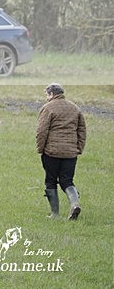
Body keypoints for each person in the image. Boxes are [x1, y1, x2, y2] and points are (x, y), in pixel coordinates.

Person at [36, 83, 86, 220]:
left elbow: (41, 131)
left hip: (52, 152)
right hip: (71, 153)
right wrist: (79, 148)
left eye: (47, 95)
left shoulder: (48, 108)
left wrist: (40, 148)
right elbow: (82, 130)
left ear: (52, 94)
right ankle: (75, 204)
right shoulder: (75, 108)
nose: (46, 98)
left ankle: (55, 214)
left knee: (51, 181)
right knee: (67, 181)